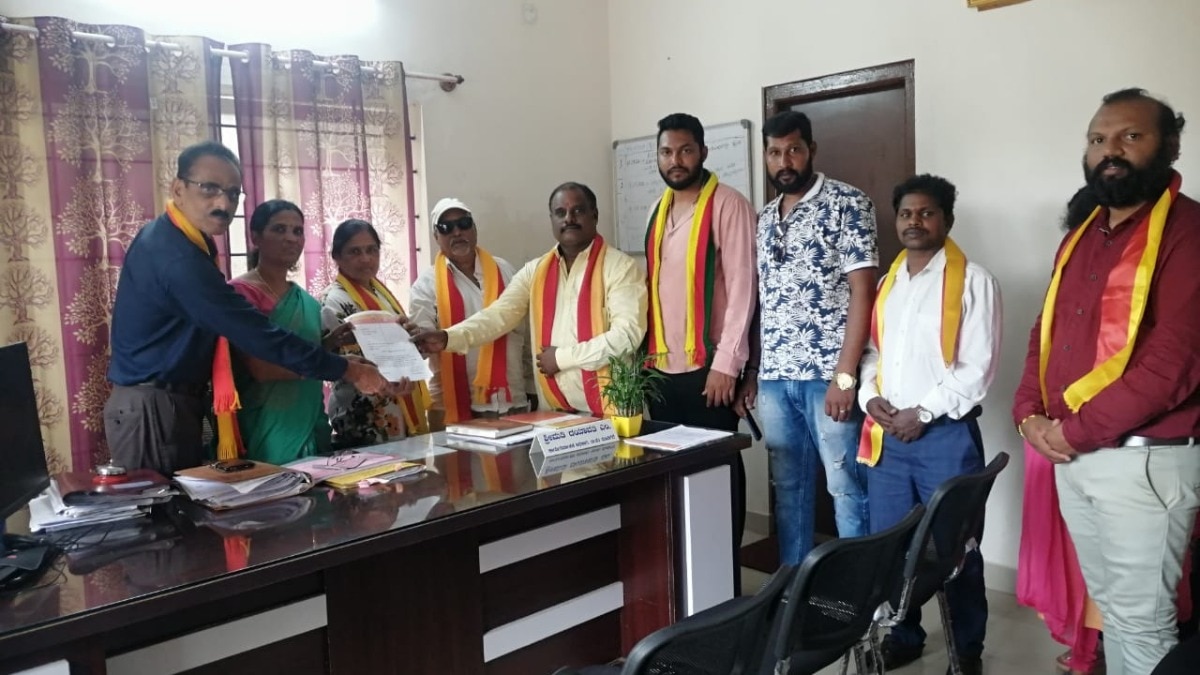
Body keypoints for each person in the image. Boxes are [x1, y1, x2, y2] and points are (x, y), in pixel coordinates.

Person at [1013, 88, 1200, 675]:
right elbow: (1047, 331)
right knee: (1115, 615)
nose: (1109, 151)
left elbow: (1172, 366)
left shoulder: (1188, 231)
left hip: (1143, 462)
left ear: (1169, 146)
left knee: (1143, 627)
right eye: (1098, 139)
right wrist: (1027, 410)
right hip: (1079, 455)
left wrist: (1072, 431)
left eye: (1129, 136)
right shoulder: (1083, 235)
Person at [104, 141, 388, 476]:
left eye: (233, 193)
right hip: (155, 407)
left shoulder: (187, 243)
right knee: (162, 516)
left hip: (173, 403)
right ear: (178, 188)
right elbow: (256, 335)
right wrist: (347, 369)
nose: (223, 203)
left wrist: (333, 353)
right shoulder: (177, 256)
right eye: (209, 188)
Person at [859, 175, 1001, 675]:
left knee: (954, 550)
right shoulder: (887, 283)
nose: (914, 222)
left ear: (947, 220)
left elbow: (976, 368)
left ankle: (967, 651)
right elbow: (872, 352)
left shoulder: (974, 281)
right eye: (905, 214)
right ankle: (905, 634)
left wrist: (921, 413)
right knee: (893, 548)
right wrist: (870, 397)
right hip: (890, 439)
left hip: (945, 437)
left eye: (926, 213)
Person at [752, 110, 876, 566]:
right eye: (774, 152)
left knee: (846, 487)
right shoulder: (764, 218)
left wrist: (845, 377)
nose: (784, 160)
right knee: (788, 491)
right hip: (774, 379)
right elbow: (764, 300)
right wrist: (753, 372)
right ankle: (793, 593)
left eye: (794, 149)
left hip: (827, 376)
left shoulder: (849, 203)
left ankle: (857, 599)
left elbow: (864, 292)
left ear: (811, 151)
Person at [413, 183, 647, 416]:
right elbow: (498, 316)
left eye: (578, 210)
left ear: (594, 215)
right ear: (552, 220)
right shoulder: (535, 271)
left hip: (612, 414)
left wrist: (561, 358)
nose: (569, 218)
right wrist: (447, 337)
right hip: (554, 416)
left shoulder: (620, 267)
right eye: (560, 213)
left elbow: (626, 336)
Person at [645, 112, 757, 562]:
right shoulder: (659, 209)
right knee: (674, 474)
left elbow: (744, 288)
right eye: (667, 152)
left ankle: (723, 566)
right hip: (662, 369)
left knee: (718, 469)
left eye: (685, 150)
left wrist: (727, 365)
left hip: (708, 370)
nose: (676, 160)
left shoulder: (728, 204)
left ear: (703, 153)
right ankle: (690, 572)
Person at [229, 200, 353, 464]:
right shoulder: (239, 295)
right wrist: (341, 367)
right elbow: (261, 368)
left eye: (297, 231)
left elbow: (303, 354)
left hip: (309, 419)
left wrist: (328, 345)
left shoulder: (305, 300)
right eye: (279, 229)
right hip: (266, 423)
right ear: (255, 236)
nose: (291, 238)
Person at [409, 198, 535, 429]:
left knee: (517, 466)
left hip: (513, 401)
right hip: (454, 409)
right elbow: (423, 347)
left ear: (474, 228)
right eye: (446, 228)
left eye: (463, 223)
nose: (457, 232)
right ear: (436, 237)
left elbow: (525, 333)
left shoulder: (505, 270)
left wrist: (531, 388)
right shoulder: (425, 287)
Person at [322, 219, 428, 446]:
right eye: (355, 252)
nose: (366, 259)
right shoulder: (332, 300)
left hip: (397, 405)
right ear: (337, 257)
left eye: (372, 250)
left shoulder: (382, 295)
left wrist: (414, 340)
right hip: (361, 413)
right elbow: (335, 364)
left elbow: (400, 347)